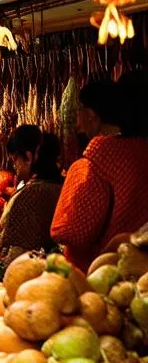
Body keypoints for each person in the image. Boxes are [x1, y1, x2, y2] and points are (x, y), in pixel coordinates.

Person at [51, 80, 148, 270]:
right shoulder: (142, 151)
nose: (76, 117)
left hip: (99, 270)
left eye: (79, 109)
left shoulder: (93, 163)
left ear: (91, 115)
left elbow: (72, 233)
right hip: (141, 265)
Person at [0, 126, 63, 261]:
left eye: (15, 160)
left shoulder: (29, 195)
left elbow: (16, 252)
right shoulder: (63, 185)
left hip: (28, 269)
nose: (14, 167)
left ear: (28, 157)